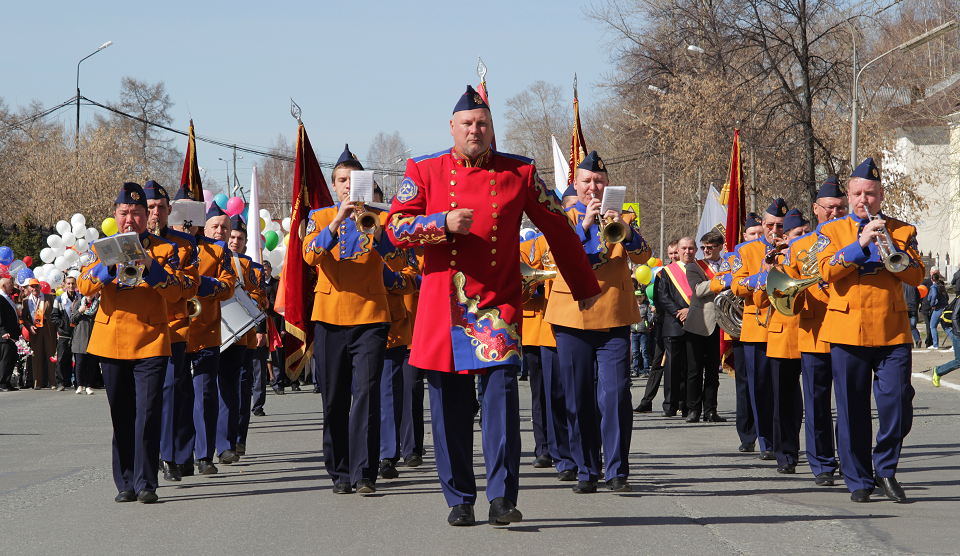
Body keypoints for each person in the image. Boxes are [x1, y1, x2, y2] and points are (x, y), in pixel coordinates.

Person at [387, 86, 601, 526]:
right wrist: (440, 224)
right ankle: (459, 499)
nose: (475, 130)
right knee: (448, 406)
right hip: (442, 307)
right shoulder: (424, 169)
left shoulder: (518, 172)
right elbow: (393, 230)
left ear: (491, 128)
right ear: (452, 128)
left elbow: (557, 226)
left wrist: (584, 283)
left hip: (495, 306)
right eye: (467, 123)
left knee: (502, 397)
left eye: (482, 123)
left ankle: (502, 496)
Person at [816, 157, 924, 503]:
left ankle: (886, 469)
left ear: (881, 196)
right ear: (848, 197)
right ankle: (859, 478)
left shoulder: (903, 231)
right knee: (852, 409)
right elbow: (826, 271)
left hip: (892, 331)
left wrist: (890, 245)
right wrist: (861, 244)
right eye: (858, 194)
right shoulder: (831, 231)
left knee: (896, 403)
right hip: (847, 330)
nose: (865, 200)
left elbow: (917, 276)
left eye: (872, 194)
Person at [545, 151, 651, 494]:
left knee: (616, 393)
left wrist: (625, 228)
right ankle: (586, 470)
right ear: (576, 184)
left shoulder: (623, 215)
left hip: (614, 315)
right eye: (587, 181)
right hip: (572, 314)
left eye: (600, 181)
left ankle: (617, 470)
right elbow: (555, 257)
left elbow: (643, 255)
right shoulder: (561, 213)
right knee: (577, 397)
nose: (594, 186)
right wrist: (584, 226)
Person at [77, 181, 185, 503]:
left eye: (137, 213)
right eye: (125, 213)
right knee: (121, 414)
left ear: (147, 217)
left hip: (150, 340)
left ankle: (146, 483)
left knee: (148, 412)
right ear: (115, 214)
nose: (130, 220)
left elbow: (177, 291)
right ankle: (125, 481)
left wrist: (151, 266)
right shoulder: (101, 248)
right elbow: (84, 286)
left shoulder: (166, 250)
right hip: (111, 341)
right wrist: (105, 269)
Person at [303, 144, 400, 496]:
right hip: (329, 318)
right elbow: (310, 256)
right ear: (334, 185)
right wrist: (340, 219)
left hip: (371, 316)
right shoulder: (320, 216)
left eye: (353, 180)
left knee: (368, 395)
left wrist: (378, 236)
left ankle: (365, 474)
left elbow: (399, 263)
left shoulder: (381, 216)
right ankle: (339, 471)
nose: (348, 186)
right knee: (334, 399)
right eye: (341, 180)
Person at [786, 177, 847, 485]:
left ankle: (850, 460)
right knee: (817, 402)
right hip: (814, 332)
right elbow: (784, 290)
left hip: (848, 332)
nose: (835, 212)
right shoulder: (798, 246)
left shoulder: (854, 237)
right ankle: (822, 464)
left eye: (841, 207)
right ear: (816, 209)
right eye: (830, 208)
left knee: (850, 403)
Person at [174, 189, 237, 477]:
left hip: (207, 331)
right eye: (182, 215)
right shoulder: (169, 247)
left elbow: (228, 287)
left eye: (193, 216)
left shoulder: (217, 250)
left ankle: (203, 454)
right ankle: (179, 455)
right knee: (176, 394)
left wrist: (201, 284)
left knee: (205, 394)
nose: (188, 223)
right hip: (174, 331)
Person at [144, 180, 201, 482]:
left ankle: (170, 456)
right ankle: (153, 454)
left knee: (171, 391)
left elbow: (190, 286)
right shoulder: (130, 242)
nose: (155, 213)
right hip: (140, 329)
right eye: (149, 208)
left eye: (160, 208)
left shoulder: (184, 243)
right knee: (146, 398)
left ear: (169, 211)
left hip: (173, 328)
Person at [731, 199, 789, 462]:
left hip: (787, 324)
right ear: (762, 225)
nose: (774, 230)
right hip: (758, 327)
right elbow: (736, 285)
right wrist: (761, 276)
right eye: (770, 225)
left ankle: (784, 440)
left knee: (786, 391)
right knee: (761, 388)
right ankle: (766, 440)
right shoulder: (746, 250)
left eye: (780, 226)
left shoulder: (793, 247)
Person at [755, 209, 809, 474]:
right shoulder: (774, 261)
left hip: (815, 332)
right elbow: (758, 301)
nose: (802, 237)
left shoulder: (815, 254)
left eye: (806, 233)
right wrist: (769, 271)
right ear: (785, 236)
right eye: (797, 234)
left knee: (814, 400)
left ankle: (824, 455)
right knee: (784, 400)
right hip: (784, 336)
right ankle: (786, 454)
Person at [226, 214, 267, 459]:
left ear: (246, 241)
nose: (234, 241)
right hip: (218, 336)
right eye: (231, 236)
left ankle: (239, 439)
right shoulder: (215, 258)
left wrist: (248, 301)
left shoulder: (254, 267)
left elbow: (262, 298)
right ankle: (223, 440)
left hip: (245, 336)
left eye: (239, 237)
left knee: (242, 389)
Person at [519, 232, 553, 469]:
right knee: (539, 393)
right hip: (533, 329)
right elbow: (519, 287)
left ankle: (566, 445)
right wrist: (537, 282)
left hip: (558, 326)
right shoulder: (527, 246)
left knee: (562, 391)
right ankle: (543, 447)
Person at [684, 230, 726, 423]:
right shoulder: (694, 266)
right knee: (694, 370)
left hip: (722, 323)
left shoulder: (728, 265)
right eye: (703, 247)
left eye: (710, 247)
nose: (705, 250)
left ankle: (711, 410)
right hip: (699, 323)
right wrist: (723, 280)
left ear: (720, 247)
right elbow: (698, 290)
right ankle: (693, 410)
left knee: (712, 371)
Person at [635, 240, 680, 413]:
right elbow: (658, 298)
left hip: (684, 323)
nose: (673, 256)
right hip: (665, 323)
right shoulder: (663, 273)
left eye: (676, 252)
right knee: (657, 363)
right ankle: (647, 401)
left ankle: (680, 401)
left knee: (680, 364)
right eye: (671, 253)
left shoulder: (688, 271)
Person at [51, 276, 79, 390]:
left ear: (76, 285)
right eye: (69, 284)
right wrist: (62, 324)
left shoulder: (80, 298)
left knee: (76, 359)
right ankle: (60, 382)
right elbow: (53, 317)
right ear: (65, 285)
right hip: (64, 333)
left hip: (76, 333)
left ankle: (73, 381)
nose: (71, 286)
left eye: (73, 284)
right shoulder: (59, 299)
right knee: (62, 359)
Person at [69, 291, 100, 395]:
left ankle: (89, 385)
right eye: (88, 293)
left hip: (93, 337)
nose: (90, 296)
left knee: (91, 364)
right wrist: (80, 311)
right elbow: (72, 319)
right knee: (80, 363)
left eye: (92, 293)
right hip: (79, 338)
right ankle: (80, 385)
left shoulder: (98, 305)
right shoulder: (79, 303)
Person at [0, 276, 21, 392]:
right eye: (10, 284)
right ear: (3, 286)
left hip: (13, 333)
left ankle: (7, 381)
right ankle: (2, 382)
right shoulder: (1, 297)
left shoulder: (8, 297)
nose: (12, 286)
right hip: (6, 334)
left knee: (12, 358)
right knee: (6, 358)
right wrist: (3, 331)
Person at [928, 269, 949, 349]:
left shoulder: (934, 287)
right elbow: (946, 297)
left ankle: (935, 344)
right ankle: (955, 343)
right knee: (945, 326)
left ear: (931, 279)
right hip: (944, 307)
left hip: (938, 308)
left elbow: (934, 295)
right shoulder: (942, 286)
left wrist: (932, 304)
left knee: (932, 326)